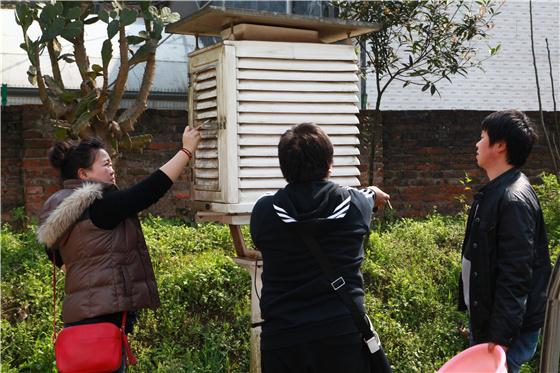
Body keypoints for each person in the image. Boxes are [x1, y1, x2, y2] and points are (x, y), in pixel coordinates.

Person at [37, 125, 201, 372]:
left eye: (111, 163)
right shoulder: (100, 205)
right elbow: (149, 190)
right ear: (83, 173)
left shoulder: (58, 209)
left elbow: (53, 253)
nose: (112, 170)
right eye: (105, 164)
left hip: (77, 322)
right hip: (102, 326)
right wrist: (186, 150)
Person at [250, 123, 390, 373]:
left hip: (283, 339)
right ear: (329, 164)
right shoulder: (355, 205)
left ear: (284, 168)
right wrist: (375, 193)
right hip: (341, 334)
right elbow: (369, 195)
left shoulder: (265, 212)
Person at [459, 110, 552, 373]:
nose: (477, 144)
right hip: (491, 324)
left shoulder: (513, 199)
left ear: (500, 146)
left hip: (505, 333)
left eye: (482, 137)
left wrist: (501, 337)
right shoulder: (496, 190)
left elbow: (516, 273)